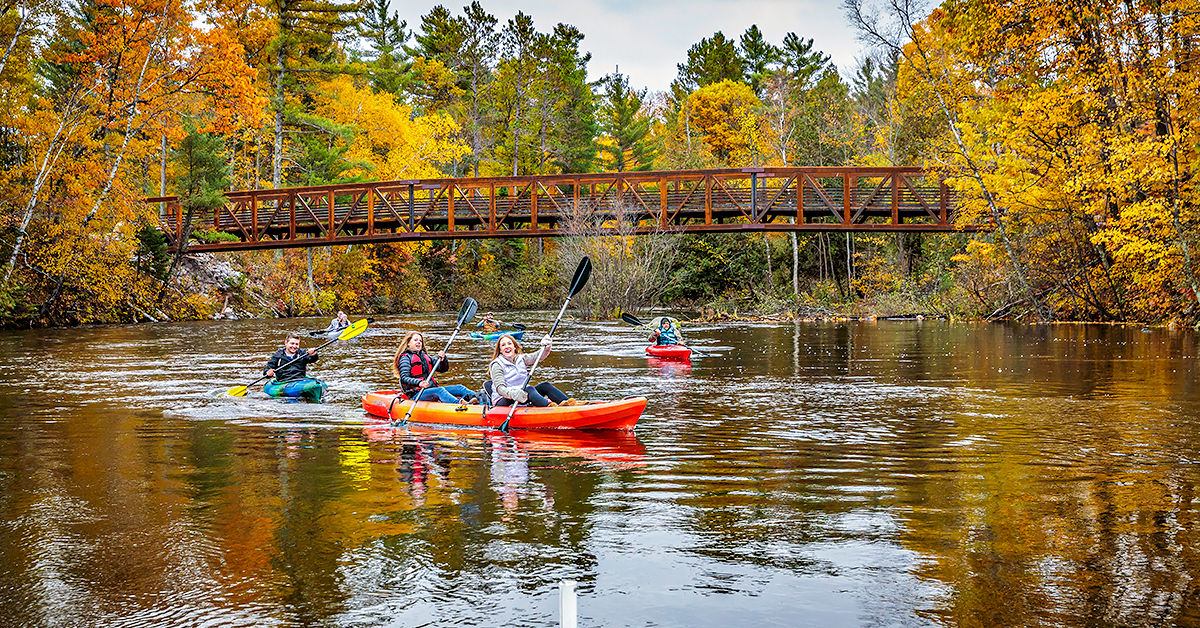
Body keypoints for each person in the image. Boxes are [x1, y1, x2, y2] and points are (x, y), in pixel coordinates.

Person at [488, 333, 583, 407]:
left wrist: (546, 347)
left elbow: (538, 356)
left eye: (509, 343)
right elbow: (500, 389)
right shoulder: (497, 365)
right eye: (503, 345)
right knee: (529, 389)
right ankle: (548, 409)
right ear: (500, 350)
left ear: (514, 347)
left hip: (522, 395)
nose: (507, 346)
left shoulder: (521, 359)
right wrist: (513, 393)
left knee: (545, 385)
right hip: (503, 400)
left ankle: (571, 405)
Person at [392, 331, 477, 404]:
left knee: (459, 388)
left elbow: (443, 369)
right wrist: (419, 383)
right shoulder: (405, 358)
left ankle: (481, 399)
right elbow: (404, 378)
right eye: (415, 340)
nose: (418, 342)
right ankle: (459, 404)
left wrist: (443, 360)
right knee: (439, 391)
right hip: (417, 394)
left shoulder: (424, 356)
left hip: (431, 390)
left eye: (420, 341)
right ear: (408, 343)